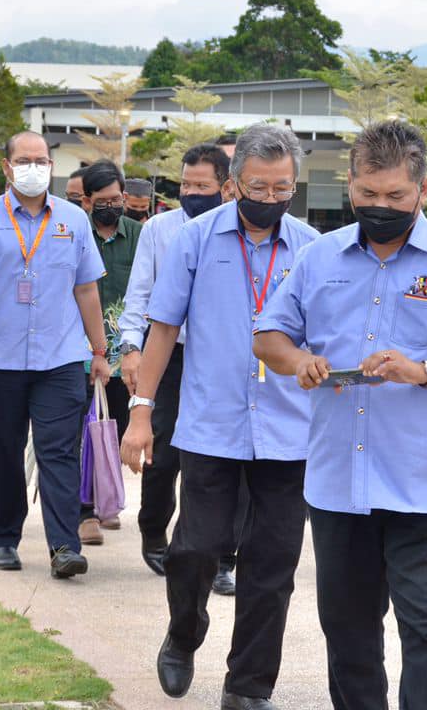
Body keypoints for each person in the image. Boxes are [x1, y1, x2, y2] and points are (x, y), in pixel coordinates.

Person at [252, 120, 427, 710]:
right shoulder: (319, 257)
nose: (381, 206)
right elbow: (268, 335)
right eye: (368, 193)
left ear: (423, 189)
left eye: (396, 196)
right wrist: (299, 361)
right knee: (348, 634)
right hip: (338, 486)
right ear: (349, 184)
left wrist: (426, 369)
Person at [121, 124, 319, 710]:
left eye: (282, 188)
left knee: (272, 564)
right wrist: (140, 413)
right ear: (234, 183)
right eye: (258, 187)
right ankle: (184, 633)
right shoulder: (195, 240)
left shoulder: (313, 248)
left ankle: (248, 685)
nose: (270, 198)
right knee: (195, 549)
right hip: (212, 424)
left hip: (288, 430)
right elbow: (162, 330)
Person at [0, 130, 110, 580]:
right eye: (24, 160)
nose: (33, 168)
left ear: (51, 167)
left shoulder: (74, 220)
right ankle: (3, 537)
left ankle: (64, 546)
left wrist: (99, 351)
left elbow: (86, 289)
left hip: (60, 359)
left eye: (41, 160)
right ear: (7, 167)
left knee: (60, 452)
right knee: (3, 451)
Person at [117, 143, 241, 589]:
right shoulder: (159, 230)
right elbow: (140, 293)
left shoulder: (242, 231)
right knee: (163, 453)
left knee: (225, 457)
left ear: (226, 186)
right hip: (168, 355)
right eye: (185, 184)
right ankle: (154, 533)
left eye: (201, 186)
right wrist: (131, 347)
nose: (191, 192)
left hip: (224, 358)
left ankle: (222, 557)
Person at [75, 160, 143, 545]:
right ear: (87, 201)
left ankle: (106, 499)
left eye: (117, 199)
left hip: (125, 354)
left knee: (114, 429)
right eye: (102, 200)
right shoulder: (74, 232)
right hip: (79, 349)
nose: (111, 206)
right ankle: (84, 512)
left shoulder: (139, 235)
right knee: (80, 431)